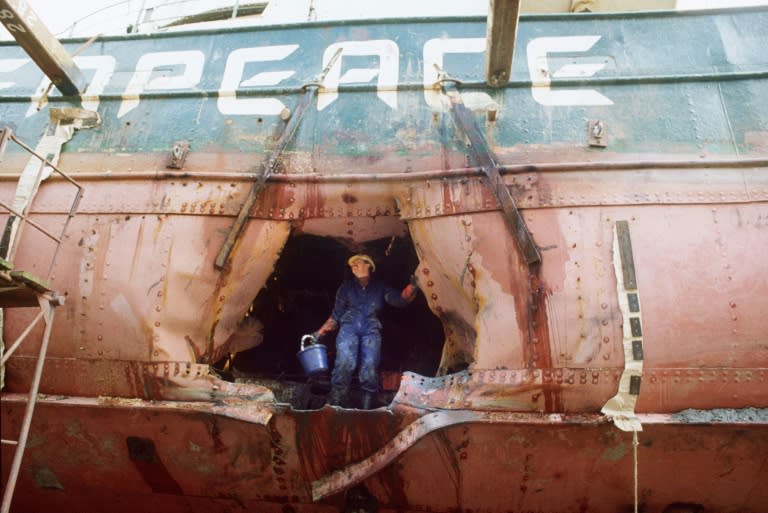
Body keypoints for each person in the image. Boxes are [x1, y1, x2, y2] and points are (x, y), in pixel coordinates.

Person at [313, 253, 418, 409]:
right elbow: (335, 316)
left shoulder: (380, 287)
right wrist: (319, 332)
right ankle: (335, 401)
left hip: (371, 330)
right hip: (348, 328)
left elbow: (401, 300)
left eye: (357, 262)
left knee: (369, 365)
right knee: (345, 362)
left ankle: (366, 405)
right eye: (351, 264)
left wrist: (413, 285)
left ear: (369, 265)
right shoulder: (346, 288)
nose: (353, 265)